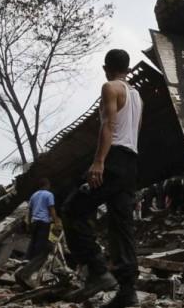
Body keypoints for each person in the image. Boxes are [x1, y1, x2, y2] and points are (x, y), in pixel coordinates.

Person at [62, 49, 143, 308]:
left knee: (72, 210)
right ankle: (127, 292)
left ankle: (98, 271)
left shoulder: (110, 87)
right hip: (131, 162)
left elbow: (107, 125)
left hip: (114, 159)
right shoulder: (137, 96)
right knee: (122, 226)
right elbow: (135, 132)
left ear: (107, 67)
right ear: (128, 69)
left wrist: (99, 162)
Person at [15, 178, 61, 288]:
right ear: (47, 185)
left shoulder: (34, 195)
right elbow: (51, 209)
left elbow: (30, 211)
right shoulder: (49, 194)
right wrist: (57, 222)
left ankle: (27, 273)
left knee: (33, 249)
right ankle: (24, 274)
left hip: (34, 223)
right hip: (43, 224)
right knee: (43, 252)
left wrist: (29, 223)